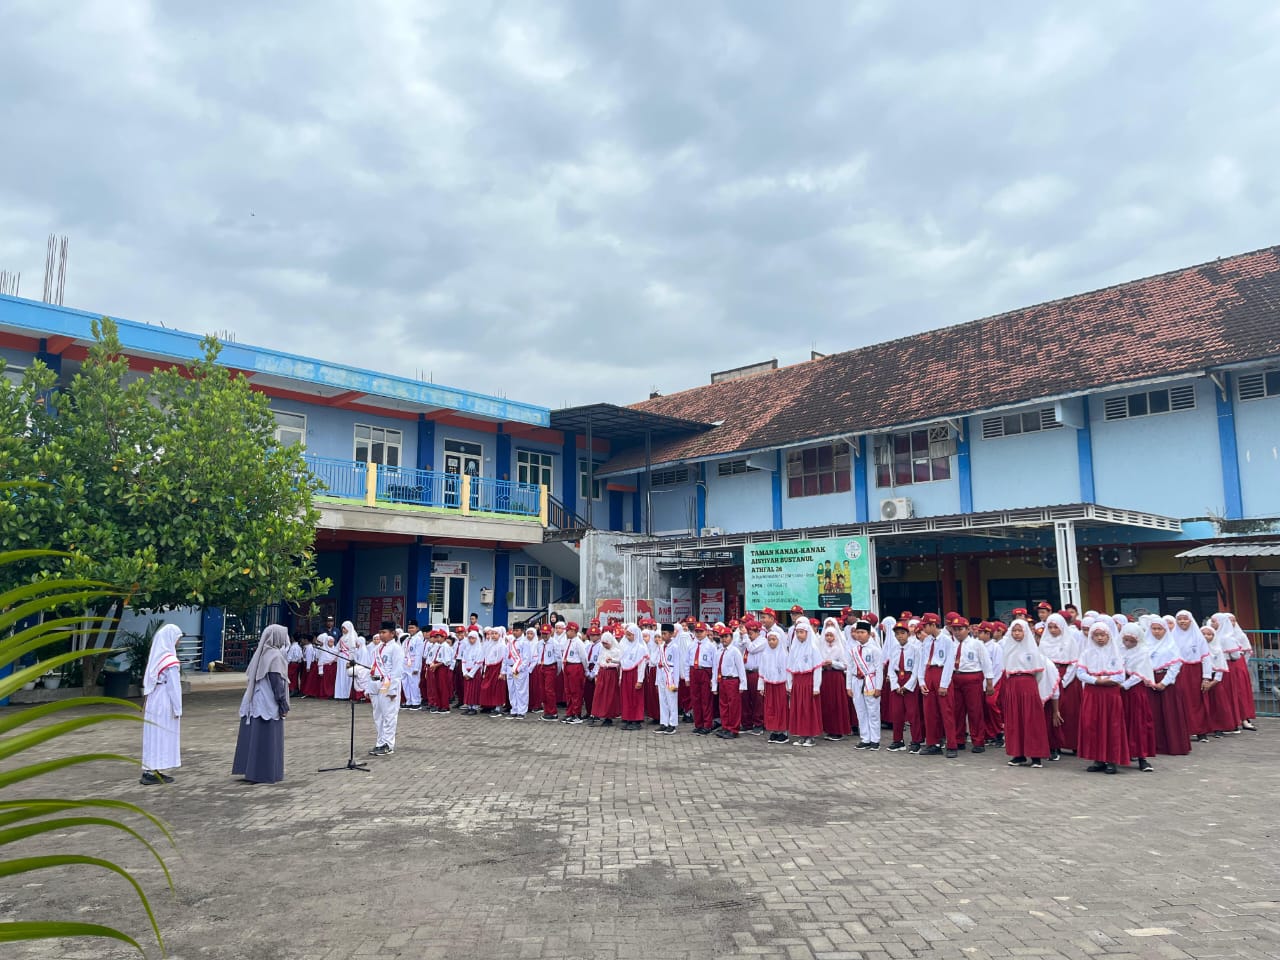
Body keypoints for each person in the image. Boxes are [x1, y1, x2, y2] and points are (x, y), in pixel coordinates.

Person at [232, 624, 291, 784]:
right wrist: (283, 705)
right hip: (268, 700)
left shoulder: (262, 653)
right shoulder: (275, 656)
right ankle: (265, 772)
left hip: (257, 699)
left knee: (256, 736)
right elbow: (277, 683)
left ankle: (252, 770)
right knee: (267, 737)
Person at [999, 618, 1057, 769]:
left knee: (1031, 720)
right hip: (1013, 685)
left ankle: (1036, 756)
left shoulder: (1033, 650)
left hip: (1028, 685)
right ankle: (1018, 754)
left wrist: (1029, 684)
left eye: (1020, 631)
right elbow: (1005, 670)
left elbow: (1039, 674)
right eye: (1014, 631)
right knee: (1015, 720)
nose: (1017, 634)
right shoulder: (1008, 649)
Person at [1076, 621, 1129, 774]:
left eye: (1103, 635)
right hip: (1093, 693)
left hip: (1110, 694)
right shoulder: (1086, 653)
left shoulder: (1115, 653)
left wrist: (1106, 680)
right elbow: (1080, 673)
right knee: (1093, 725)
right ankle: (1097, 759)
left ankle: (1112, 760)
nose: (1100, 638)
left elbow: (1121, 676)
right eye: (1096, 635)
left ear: (1108, 636)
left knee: (1112, 725)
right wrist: (1096, 680)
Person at [140, 623, 183, 785]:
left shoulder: (157, 658)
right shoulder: (170, 661)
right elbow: (174, 687)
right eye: (178, 638)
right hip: (164, 700)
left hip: (154, 699)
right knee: (161, 734)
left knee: (153, 735)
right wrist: (178, 708)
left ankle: (152, 769)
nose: (179, 642)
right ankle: (152, 771)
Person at [1143, 615, 1189, 756]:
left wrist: (1164, 682)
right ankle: (1154, 745)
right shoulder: (1145, 645)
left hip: (1167, 682)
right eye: (1154, 628)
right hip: (1150, 681)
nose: (1156, 631)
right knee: (1153, 714)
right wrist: (1147, 679)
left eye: (1160, 629)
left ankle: (1173, 745)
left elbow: (1175, 666)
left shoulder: (1171, 645)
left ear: (1165, 630)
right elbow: (1141, 664)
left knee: (1170, 713)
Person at [356, 621, 403, 755]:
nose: (381, 635)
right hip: (375, 683)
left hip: (387, 684)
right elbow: (372, 668)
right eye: (380, 632)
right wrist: (368, 687)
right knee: (378, 716)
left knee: (389, 715)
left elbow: (397, 671)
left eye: (384, 632)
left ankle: (388, 744)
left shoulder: (396, 649)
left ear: (392, 633)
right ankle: (380, 742)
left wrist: (392, 689)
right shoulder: (377, 649)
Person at [915, 613, 959, 757]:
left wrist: (944, 684)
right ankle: (933, 743)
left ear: (933, 625)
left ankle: (952, 745)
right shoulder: (927, 641)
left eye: (925, 626)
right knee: (929, 712)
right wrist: (921, 681)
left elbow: (949, 663)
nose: (923, 629)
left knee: (946, 712)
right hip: (929, 673)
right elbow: (922, 661)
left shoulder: (947, 641)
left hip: (941, 673)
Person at [1039, 613, 1080, 759]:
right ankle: (1053, 744)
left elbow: (1074, 663)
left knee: (1069, 712)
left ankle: (1073, 743)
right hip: (1049, 677)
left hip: (1066, 678)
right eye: (1049, 627)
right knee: (1051, 712)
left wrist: (1064, 680)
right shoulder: (1044, 643)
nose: (1052, 630)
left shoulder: (1069, 642)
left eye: (1055, 627)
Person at [1169, 609, 1213, 741]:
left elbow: (1206, 657)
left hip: (1195, 672)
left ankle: (1200, 731)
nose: (1182, 621)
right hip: (1178, 672)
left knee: (1196, 701)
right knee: (1180, 701)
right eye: (1179, 619)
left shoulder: (1198, 637)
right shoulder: (1171, 637)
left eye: (1185, 619)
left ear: (1191, 620)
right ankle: (1183, 732)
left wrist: (1206, 677)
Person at [1118, 623, 1156, 772]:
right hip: (1119, 690)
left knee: (1138, 723)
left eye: (1131, 641)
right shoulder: (1118, 650)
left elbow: (1140, 673)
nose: (1128, 643)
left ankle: (1142, 758)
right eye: (1125, 640)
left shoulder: (1142, 652)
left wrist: (1125, 685)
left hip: (1135, 691)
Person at [884, 620, 922, 752]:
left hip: (909, 680)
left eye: (902, 633)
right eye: (897, 634)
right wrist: (895, 685)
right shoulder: (894, 649)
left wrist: (908, 686)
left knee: (913, 714)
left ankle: (916, 740)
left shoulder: (915, 649)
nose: (900, 636)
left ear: (908, 634)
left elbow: (916, 669)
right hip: (897, 680)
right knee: (897, 713)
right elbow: (891, 669)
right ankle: (898, 740)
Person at [785, 617, 823, 748]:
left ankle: (810, 736)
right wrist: (790, 684)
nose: (799, 635)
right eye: (797, 632)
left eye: (802, 632)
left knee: (808, 709)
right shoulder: (794, 648)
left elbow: (817, 668)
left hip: (808, 681)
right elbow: (789, 667)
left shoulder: (813, 648)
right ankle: (801, 734)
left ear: (807, 633)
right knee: (799, 709)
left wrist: (816, 686)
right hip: (797, 681)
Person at [847, 619, 883, 750]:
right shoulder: (853, 650)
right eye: (857, 632)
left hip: (870, 681)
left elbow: (879, 670)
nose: (859, 635)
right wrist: (848, 686)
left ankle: (875, 739)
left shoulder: (875, 650)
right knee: (860, 711)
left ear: (868, 634)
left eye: (862, 632)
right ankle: (865, 738)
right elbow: (850, 669)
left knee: (873, 711)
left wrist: (878, 687)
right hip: (856, 681)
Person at [817, 620, 853, 742]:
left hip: (836, 678)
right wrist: (823, 665)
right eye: (827, 635)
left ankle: (838, 730)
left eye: (831, 635)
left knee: (836, 703)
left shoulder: (839, 648)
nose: (828, 638)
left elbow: (845, 665)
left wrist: (833, 663)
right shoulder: (821, 648)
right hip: (825, 677)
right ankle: (829, 729)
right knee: (827, 703)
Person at [711, 624, 747, 739]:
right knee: (723, 705)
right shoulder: (719, 652)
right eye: (722, 637)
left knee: (733, 706)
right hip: (723, 680)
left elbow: (741, 668)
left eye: (726, 636)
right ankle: (725, 727)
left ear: (731, 637)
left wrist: (742, 684)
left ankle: (734, 729)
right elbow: (715, 669)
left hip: (732, 680)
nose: (724, 639)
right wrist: (714, 685)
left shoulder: (735, 651)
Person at [758, 625, 790, 743]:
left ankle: (783, 732)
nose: (771, 642)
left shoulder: (784, 654)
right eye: (769, 640)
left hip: (781, 685)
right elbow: (762, 670)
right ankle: (774, 730)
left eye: (774, 639)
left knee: (781, 707)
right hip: (769, 684)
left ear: (779, 640)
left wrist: (789, 686)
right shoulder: (765, 654)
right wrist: (761, 686)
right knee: (770, 708)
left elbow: (788, 671)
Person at [687, 623, 717, 735]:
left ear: (706, 632)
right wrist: (687, 677)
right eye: (697, 631)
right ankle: (698, 724)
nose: (699, 634)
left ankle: (707, 724)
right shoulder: (691, 645)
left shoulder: (711, 646)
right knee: (695, 699)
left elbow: (715, 664)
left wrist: (713, 680)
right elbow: (686, 661)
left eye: (701, 631)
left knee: (706, 699)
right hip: (694, 671)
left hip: (705, 671)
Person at [617, 623, 648, 731]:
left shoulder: (640, 648)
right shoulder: (625, 647)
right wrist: (620, 677)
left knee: (635, 697)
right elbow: (622, 663)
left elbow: (641, 666)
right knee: (626, 697)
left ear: (636, 635)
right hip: (626, 675)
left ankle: (636, 720)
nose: (628, 637)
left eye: (630, 635)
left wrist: (640, 680)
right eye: (627, 635)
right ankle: (628, 718)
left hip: (635, 675)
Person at [652, 624, 680, 734]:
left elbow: (677, 665)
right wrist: (657, 680)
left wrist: (676, 682)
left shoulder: (675, 647)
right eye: (662, 633)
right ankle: (664, 722)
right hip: (661, 675)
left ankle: (672, 724)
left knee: (671, 700)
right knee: (662, 700)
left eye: (665, 633)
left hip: (670, 676)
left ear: (671, 634)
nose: (663, 636)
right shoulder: (661, 646)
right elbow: (657, 662)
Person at [559, 622, 588, 724]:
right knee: (568, 691)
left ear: (573, 631)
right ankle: (570, 712)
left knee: (576, 692)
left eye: (568, 631)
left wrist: (585, 669)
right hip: (567, 666)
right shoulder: (568, 642)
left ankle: (576, 714)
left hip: (575, 666)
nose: (566, 633)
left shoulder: (578, 643)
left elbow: (584, 657)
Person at [459, 630, 484, 716]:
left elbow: (478, 663)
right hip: (467, 672)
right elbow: (463, 661)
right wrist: (465, 672)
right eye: (469, 638)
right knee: (468, 690)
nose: (471, 640)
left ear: (477, 639)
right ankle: (469, 706)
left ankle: (474, 707)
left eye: (473, 638)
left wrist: (471, 674)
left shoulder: (479, 649)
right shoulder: (467, 649)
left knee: (474, 690)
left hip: (475, 673)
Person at [401, 621, 424, 711]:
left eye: (412, 627)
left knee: (414, 684)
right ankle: (409, 701)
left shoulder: (418, 640)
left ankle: (416, 702)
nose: (410, 629)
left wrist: (416, 668)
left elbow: (418, 654)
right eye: (409, 628)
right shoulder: (406, 639)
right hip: (405, 665)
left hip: (414, 664)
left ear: (417, 628)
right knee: (405, 683)